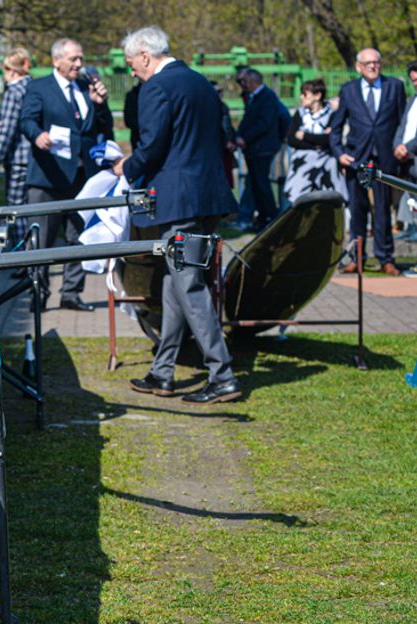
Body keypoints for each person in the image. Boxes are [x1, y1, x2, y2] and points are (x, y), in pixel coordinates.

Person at [113, 26, 241, 405]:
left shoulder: (157, 87)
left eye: (132, 63)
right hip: (208, 197)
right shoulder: (201, 83)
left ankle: (223, 375)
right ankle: (162, 372)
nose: (132, 71)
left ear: (146, 57)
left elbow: (152, 146)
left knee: (189, 286)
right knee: (175, 282)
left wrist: (127, 166)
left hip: (181, 201)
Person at [19, 38, 112, 312]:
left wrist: (101, 104)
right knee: (41, 242)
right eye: (73, 59)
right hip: (48, 176)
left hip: (81, 177)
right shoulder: (39, 87)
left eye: (81, 58)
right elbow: (26, 120)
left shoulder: (87, 86)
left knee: (78, 238)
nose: (79, 64)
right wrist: (38, 136)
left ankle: (71, 292)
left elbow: (100, 127)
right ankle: (38, 293)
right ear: (56, 60)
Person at [330, 48, 407, 275]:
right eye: (368, 63)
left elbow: (402, 122)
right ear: (358, 67)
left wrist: (399, 148)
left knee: (383, 210)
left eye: (376, 62)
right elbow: (336, 128)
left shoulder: (394, 86)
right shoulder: (349, 90)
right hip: (357, 159)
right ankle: (357, 257)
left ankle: (386, 258)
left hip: (385, 159)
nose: (373, 66)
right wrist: (339, 153)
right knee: (358, 209)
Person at [0, 48, 33, 245]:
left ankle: (22, 258)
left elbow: (6, 132)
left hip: (18, 159)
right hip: (37, 159)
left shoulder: (13, 92)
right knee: (35, 211)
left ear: (10, 70)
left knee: (16, 211)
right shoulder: (35, 87)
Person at [235, 69, 290, 230]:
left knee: (262, 184)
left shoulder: (267, 97)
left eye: (244, 81)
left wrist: (245, 138)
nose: (242, 85)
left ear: (253, 81)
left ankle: (270, 218)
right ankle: (262, 219)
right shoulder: (254, 97)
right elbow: (248, 120)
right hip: (254, 148)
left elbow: (264, 123)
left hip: (262, 148)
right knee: (256, 185)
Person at [285, 79, 345, 204]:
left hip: (326, 162)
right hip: (302, 163)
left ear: (317, 95)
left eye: (305, 94)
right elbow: (291, 139)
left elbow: (329, 140)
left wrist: (305, 135)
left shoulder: (332, 114)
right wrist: (317, 143)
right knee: (295, 196)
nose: (302, 97)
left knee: (332, 196)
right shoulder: (300, 114)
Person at [393, 62, 417, 251]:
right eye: (413, 81)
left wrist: (407, 148)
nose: (416, 83)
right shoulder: (412, 101)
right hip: (410, 164)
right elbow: (403, 127)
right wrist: (397, 146)